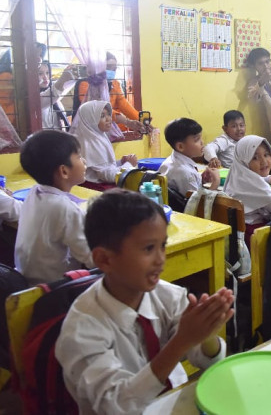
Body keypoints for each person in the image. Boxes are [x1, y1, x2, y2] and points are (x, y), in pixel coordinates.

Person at [56, 189, 233, 415]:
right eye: (149, 248)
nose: (161, 259)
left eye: (162, 245)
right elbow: (116, 406)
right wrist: (181, 341)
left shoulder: (168, 295)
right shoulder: (81, 328)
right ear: (104, 259)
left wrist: (206, 336)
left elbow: (208, 362)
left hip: (173, 403)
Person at [14, 130, 94, 285]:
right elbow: (90, 258)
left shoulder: (34, 193)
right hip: (54, 291)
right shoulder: (65, 208)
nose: (84, 161)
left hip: (26, 282)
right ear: (64, 171)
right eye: (78, 156)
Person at [222, 135, 271, 244]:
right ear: (244, 161)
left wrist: (269, 179)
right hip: (255, 236)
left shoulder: (238, 173)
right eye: (255, 157)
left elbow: (252, 183)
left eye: (266, 154)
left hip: (239, 233)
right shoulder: (254, 185)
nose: (263, 161)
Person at [76, 52, 146, 134]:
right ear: (98, 67)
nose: (112, 72)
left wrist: (143, 122)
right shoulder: (86, 84)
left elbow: (124, 105)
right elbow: (99, 108)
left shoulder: (114, 83)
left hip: (105, 128)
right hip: (87, 131)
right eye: (108, 67)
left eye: (114, 69)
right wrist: (127, 122)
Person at [73, 101, 137, 190]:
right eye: (102, 116)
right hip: (96, 188)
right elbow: (107, 176)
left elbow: (102, 167)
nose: (109, 119)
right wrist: (129, 165)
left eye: (108, 114)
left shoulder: (97, 136)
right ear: (91, 120)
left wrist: (120, 162)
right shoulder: (91, 143)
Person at [158, 118, 219, 197]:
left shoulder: (171, 160)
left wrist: (200, 179)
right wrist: (215, 182)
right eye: (197, 139)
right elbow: (197, 205)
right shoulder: (185, 172)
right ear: (180, 146)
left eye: (201, 138)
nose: (202, 142)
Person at [38, 62, 70, 130]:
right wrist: (64, 77)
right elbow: (54, 93)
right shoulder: (35, 98)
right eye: (40, 74)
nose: (45, 77)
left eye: (47, 72)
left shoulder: (54, 95)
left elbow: (65, 86)